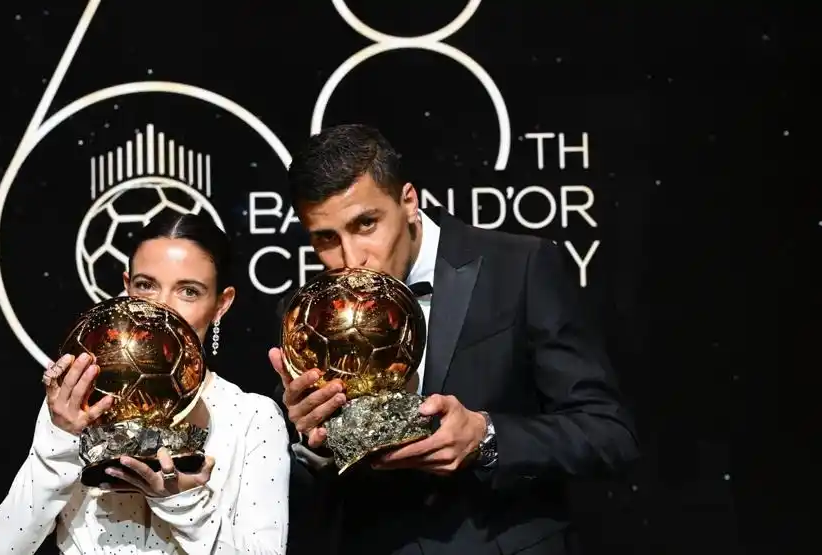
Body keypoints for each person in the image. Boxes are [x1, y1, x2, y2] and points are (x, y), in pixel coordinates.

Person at [271, 124, 640, 555]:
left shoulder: (521, 267)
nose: (352, 259)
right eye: (326, 239)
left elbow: (608, 433)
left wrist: (486, 436)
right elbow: (303, 496)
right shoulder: (309, 315)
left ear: (408, 201)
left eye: (366, 224)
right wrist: (307, 440)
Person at [0, 212, 290, 555]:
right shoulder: (77, 403)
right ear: (126, 286)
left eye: (189, 291)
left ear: (221, 305)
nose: (160, 308)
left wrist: (183, 502)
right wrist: (60, 439)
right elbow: (8, 546)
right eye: (146, 285)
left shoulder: (252, 417)